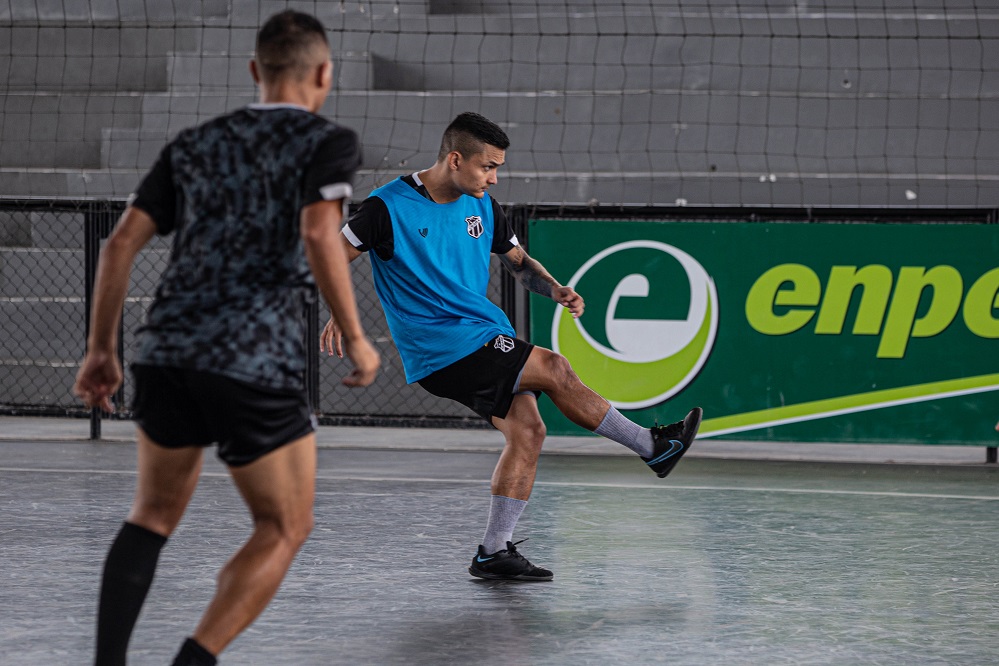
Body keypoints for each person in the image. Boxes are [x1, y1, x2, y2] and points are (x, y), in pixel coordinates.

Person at [73, 10, 380, 665]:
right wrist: (356, 335)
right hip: (251, 358)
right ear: (324, 74)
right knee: (285, 525)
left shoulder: (195, 141)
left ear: (254, 72)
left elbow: (121, 243)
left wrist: (102, 350)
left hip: (165, 350)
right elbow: (320, 232)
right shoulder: (327, 141)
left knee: (150, 517)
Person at [321, 111, 701, 582]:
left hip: (479, 332)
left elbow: (518, 262)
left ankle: (493, 552)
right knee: (555, 368)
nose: (494, 177)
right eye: (487, 166)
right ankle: (651, 446)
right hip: (441, 345)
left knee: (528, 432)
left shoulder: (484, 205)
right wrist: (340, 312)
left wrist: (554, 288)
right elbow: (331, 256)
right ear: (455, 159)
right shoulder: (387, 207)